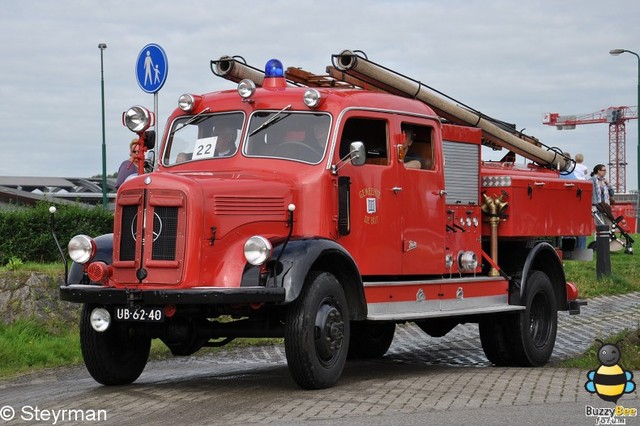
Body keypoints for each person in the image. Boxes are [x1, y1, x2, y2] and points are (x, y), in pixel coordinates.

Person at [590, 164, 614, 228]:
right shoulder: (592, 180)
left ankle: (609, 237)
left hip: (605, 206)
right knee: (600, 224)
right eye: (604, 170)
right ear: (599, 171)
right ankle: (600, 238)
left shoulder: (604, 181)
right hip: (597, 206)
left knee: (609, 224)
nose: (605, 172)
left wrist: (608, 185)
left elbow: (611, 193)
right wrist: (593, 205)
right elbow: (592, 194)